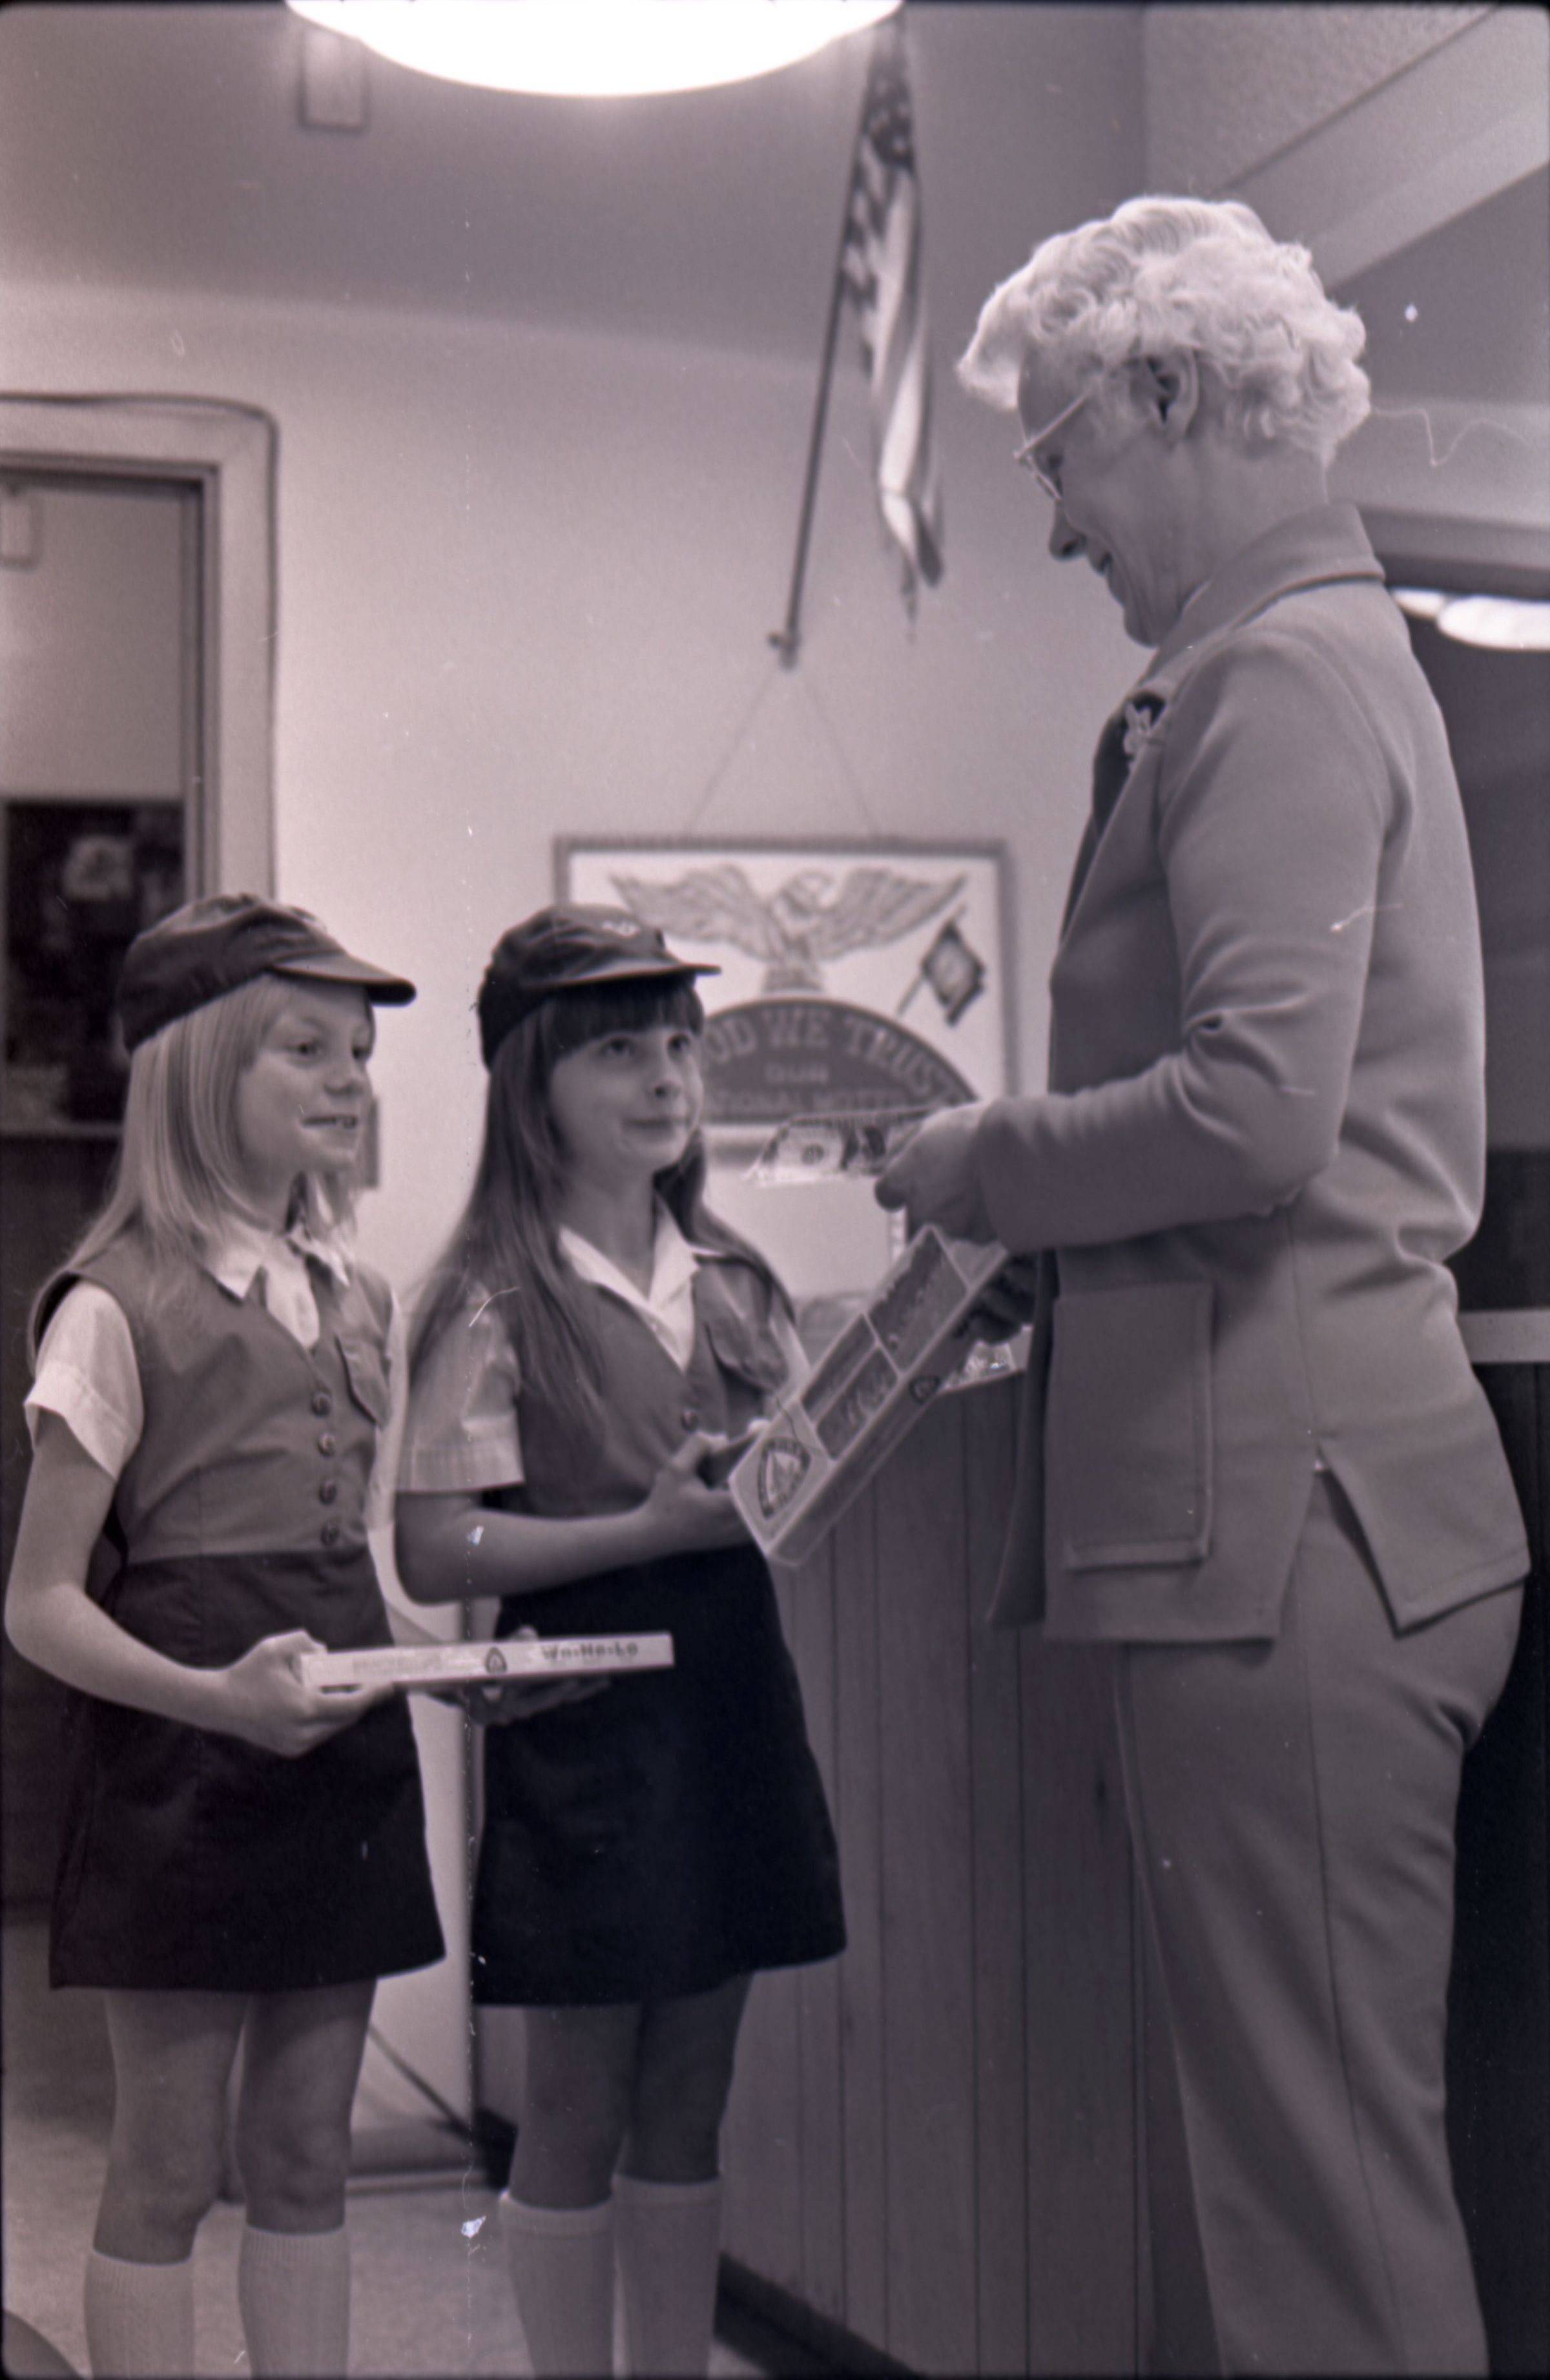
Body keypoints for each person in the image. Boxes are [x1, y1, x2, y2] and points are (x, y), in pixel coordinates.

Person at [877, 196, 1529, 2377]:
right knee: (1302, 2183)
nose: (1059, 521)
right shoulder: (1293, 666)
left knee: (1320, 2209)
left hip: (1288, 1529)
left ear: (1167, 394)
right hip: (1297, 1511)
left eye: (1059, 452)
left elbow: (1254, 1115)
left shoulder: (1272, 676)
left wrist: (986, 1163)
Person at [395, 904, 845, 2378]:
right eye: (618, 1053)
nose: (665, 1079)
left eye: (680, 1048)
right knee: (579, 2098)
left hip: (730, 1706)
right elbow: (434, 1548)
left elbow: (804, 1493)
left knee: (693, 2094)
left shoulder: (740, 1284)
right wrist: (643, 1532)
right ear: (530, 1082)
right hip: (582, 1717)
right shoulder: (489, 1298)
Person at [4, 895, 447, 2380]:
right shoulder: (114, 1304)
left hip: (343, 1765)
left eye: (359, 1053)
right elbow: (38, 1604)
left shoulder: (362, 1295)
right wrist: (217, 1698)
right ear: (197, 1068)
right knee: (171, 2163)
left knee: (310, 2155)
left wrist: (452, 1667)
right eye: (305, 1048)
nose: (348, 1079)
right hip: (182, 1775)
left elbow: (348, 1560)